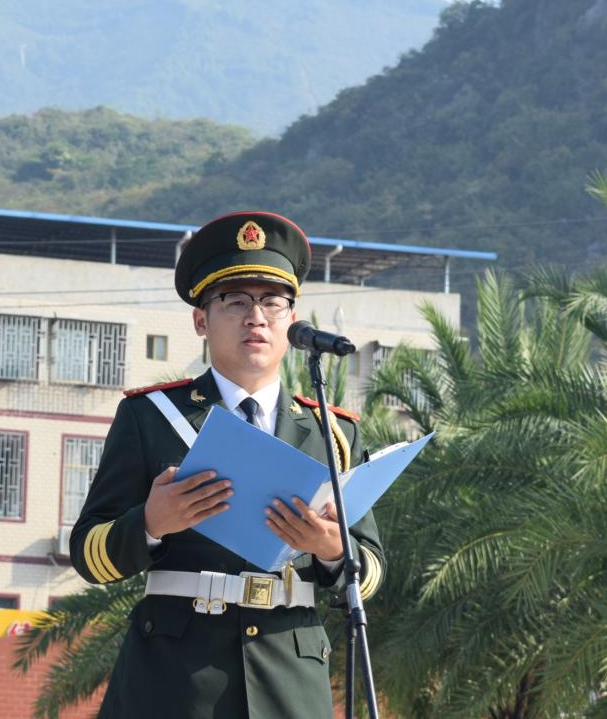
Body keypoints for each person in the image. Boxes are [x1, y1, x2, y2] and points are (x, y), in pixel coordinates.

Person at [70, 211, 386, 718]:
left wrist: (330, 548)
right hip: (176, 681)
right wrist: (151, 523)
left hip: (291, 677)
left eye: (273, 302)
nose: (256, 317)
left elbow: (370, 571)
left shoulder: (333, 433)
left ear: (292, 320)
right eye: (235, 301)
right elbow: (88, 553)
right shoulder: (152, 417)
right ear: (201, 320)